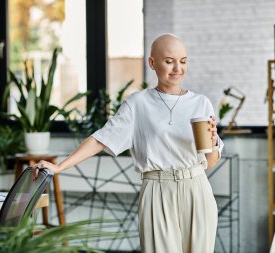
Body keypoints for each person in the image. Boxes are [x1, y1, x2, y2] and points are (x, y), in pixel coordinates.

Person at [33, 33, 224, 253]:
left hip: (196, 187)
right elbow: (100, 139)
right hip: (157, 190)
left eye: (183, 61)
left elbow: (209, 162)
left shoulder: (201, 103)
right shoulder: (138, 104)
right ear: (152, 63)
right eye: (169, 61)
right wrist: (59, 167)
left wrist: (212, 137)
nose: (177, 68)